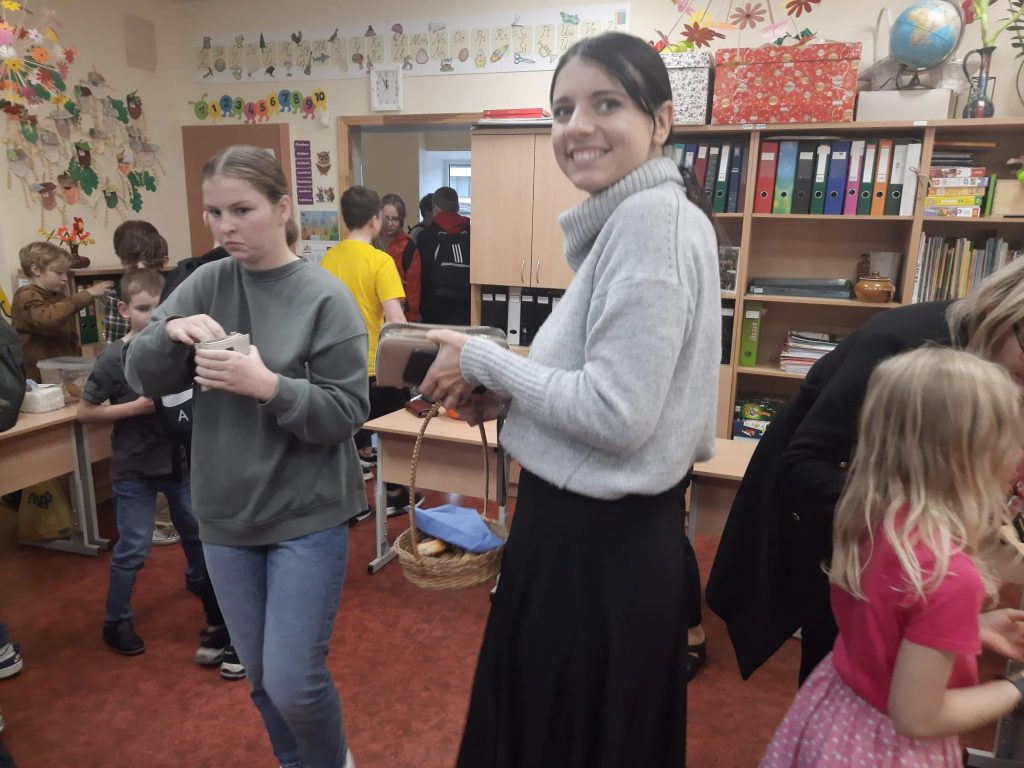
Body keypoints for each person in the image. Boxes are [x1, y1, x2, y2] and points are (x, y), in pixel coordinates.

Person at [418, 31, 720, 767]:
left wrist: (483, 356)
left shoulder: (650, 222)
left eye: (606, 103)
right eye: (562, 110)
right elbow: (620, 396)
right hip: (596, 541)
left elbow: (619, 414)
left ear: (662, 120)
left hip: (595, 551)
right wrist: (515, 401)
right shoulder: (643, 217)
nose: (577, 127)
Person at [124, 145, 368, 768]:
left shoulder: (325, 298)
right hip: (225, 514)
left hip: (306, 512)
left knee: (294, 681)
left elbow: (346, 414)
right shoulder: (205, 282)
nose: (225, 226)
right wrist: (165, 334)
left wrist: (269, 387)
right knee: (260, 678)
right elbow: (140, 375)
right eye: (214, 212)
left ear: (282, 209)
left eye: (242, 210)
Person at [706, 255, 1024, 684]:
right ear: (1001, 309)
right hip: (847, 534)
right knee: (848, 666)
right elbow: (805, 465)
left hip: (897, 543)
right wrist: (923, 524)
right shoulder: (904, 344)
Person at [759, 346, 1024, 767]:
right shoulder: (949, 574)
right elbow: (918, 716)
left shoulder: (872, 518)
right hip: (889, 750)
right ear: (975, 455)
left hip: (836, 717)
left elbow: (889, 624)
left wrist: (970, 629)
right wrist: (1016, 689)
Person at [78, 270, 229, 666]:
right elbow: (85, 411)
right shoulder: (114, 358)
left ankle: (204, 592)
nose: (152, 317)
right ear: (124, 310)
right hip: (134, 471)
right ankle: (116, 620)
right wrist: (133, 408)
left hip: (179, 465)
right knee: (132, 547)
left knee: (197, 536)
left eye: (159, 309)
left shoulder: (180, 352)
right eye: (143, 309)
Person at [321, 185, 421, 516]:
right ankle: (394, 495)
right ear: (375, 220)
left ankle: (353, 504)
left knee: (347, 434)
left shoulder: (329, 259)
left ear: (345, 218)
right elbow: (395, 320)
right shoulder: (380, 261)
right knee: (394, 434)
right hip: (375, 365)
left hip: (338, 365)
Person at [11, 241, 112, 381]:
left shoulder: (57, 296)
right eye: (59, 273)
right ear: (36, 270)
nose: (65, 278)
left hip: (61, 374)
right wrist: (87, 294)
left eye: (66, 273)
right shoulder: (26, 295)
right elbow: (46, 320)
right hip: (38, 379)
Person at [104, 221, 170, 343]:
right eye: (131, 263)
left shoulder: (175, 286)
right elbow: (115, 346)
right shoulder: (117, 293)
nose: (140, 268)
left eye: (148, 261)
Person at [416, 185, 471, 326]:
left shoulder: (425, 236)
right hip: (467, 309)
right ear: (457, 207)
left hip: (434, 310)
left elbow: (423, 276)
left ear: (435, 207)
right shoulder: (472, 233)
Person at [378, 193, 422, 322]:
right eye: (386, 218)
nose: (390, 223)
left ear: (401, 220)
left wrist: (407, 325)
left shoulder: (409, 248)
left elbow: (413, 294)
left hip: (397, 316)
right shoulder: (369, 241)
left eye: (395, 219)